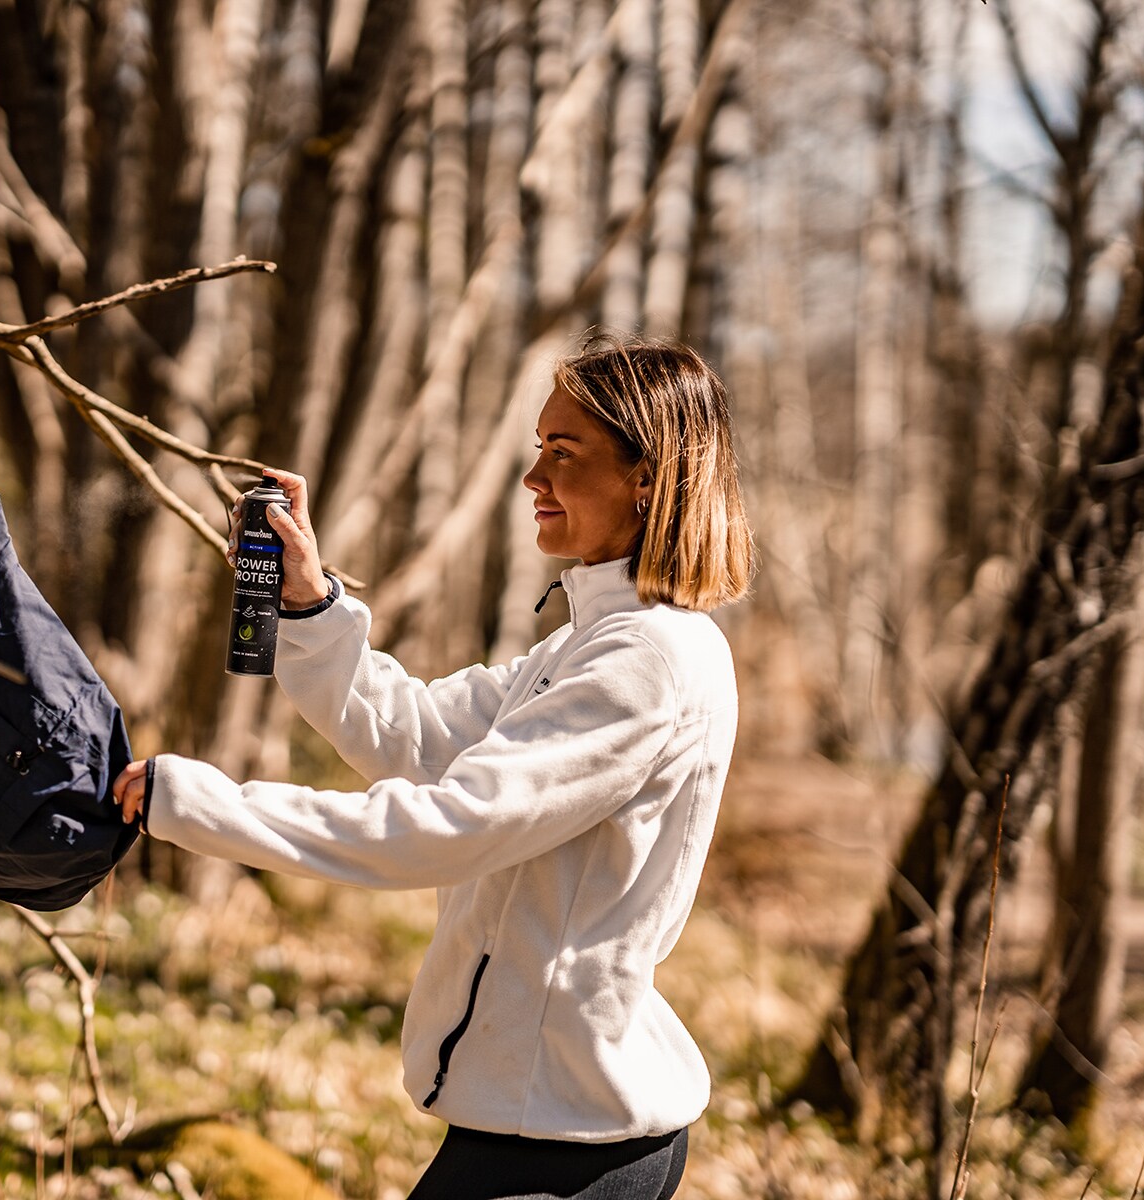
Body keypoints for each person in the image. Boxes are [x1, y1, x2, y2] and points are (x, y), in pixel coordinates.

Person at [112, 334, 753, 1199]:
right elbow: (415, 735)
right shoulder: (586, 644)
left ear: (648, 478)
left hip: (566, 1144)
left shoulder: (645, 661)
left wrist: (202, 805)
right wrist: (309, 603)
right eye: (537, 449)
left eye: (562, 454)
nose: (533, 479)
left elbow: (451, 827)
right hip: (538, 1121)